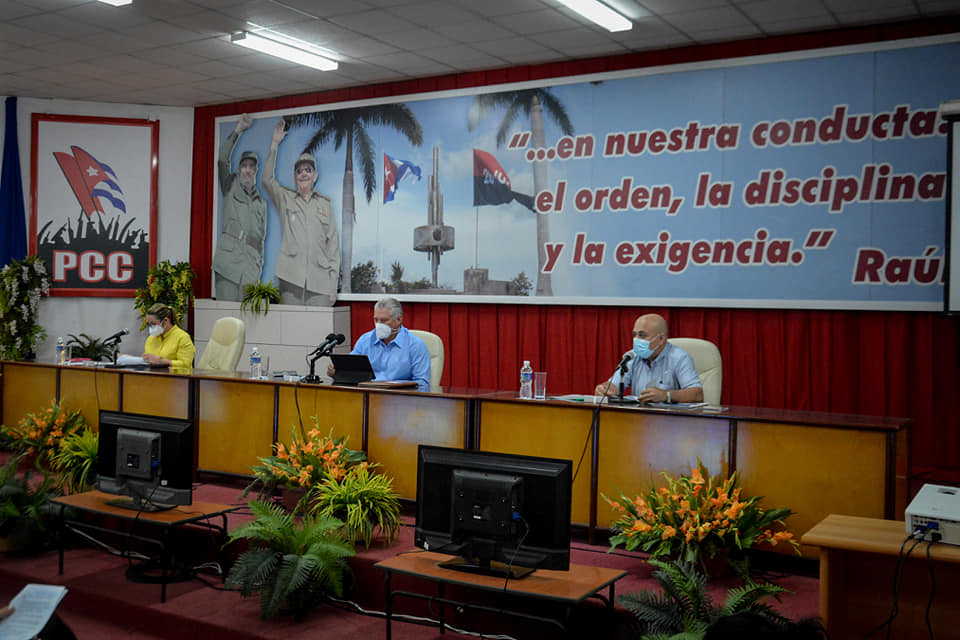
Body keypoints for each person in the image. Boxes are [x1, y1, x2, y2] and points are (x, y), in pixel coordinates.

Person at [263, 120, 340, 306]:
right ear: (295, 176)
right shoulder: (285, 198)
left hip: (320, 282)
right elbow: (267, 179)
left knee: (319, 332)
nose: (303, 174)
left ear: (315, 176)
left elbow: (333, 247)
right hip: (290, 279)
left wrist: (332, 285)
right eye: (299, 171)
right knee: (290, 330)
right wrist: (274, 144)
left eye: (308, 170)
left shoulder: (325, 205)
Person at [212, 113, 267, 301]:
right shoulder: (229, 184)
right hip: (228, 264)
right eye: (244, 165)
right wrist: (238, 130)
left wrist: (258, 265)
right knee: (226, 320)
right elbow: (222, 159)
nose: (248, 170)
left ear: (256, 171)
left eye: (252, 166)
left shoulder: (261, 202)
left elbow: (261, 239)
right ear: (239, 168)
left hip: (250, 270)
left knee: (247, 324)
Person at [594, 313, 703, 403]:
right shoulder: (631, 356)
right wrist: (605, 389)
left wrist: (666, 395)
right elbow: (613, 385)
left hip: (671, 422)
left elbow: (697, 394)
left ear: (661, 339)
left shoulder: (679, 357)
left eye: (642, 335)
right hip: (637, 420)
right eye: (634, 335)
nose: (636, 340)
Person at [329, 297, 431, 392]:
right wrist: (337, 372)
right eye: (376, 320)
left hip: (399, 399)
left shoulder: (415, 345)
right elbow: (351, 370)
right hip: (367, 395)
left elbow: (422, 384)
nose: (378, 324)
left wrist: (398, 388)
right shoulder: (365, 340)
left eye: (384, 320)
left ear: (399, 320)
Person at [142, 303, 196, 368]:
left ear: (165, 321)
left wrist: (163, 361)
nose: (150, 327)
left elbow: (185, 365)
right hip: (152, 376)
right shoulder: (151, 338)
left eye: (153, 324)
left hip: (176, 377)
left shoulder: (183, 337)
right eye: (148, 324)